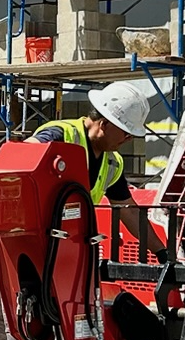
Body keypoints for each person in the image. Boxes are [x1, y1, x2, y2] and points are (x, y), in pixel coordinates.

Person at [30, 80, 166, 259]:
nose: (128, 139)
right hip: (36, 243)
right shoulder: (60, 136)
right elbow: (20, 158)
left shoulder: (112, 162)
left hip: (73, 248)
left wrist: (161, 252)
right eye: (126, 132)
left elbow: (129, 211)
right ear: (104, 125)